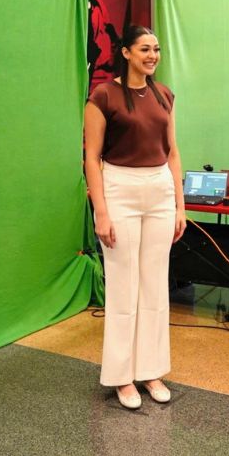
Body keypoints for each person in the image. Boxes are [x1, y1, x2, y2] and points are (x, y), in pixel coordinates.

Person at [83, 25, 186, 410]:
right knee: (124, 287)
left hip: (159, 188)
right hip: (119, 187)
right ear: (125, 52)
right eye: (144, 49)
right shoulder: (104, 95)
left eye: (156, 49)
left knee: (156, 286)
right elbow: (91, 157)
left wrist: (180, 205)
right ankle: (122, 377)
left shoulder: (164, 95)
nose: (152, 55)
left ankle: (151, 371)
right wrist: (101, 211)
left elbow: (173, 152)